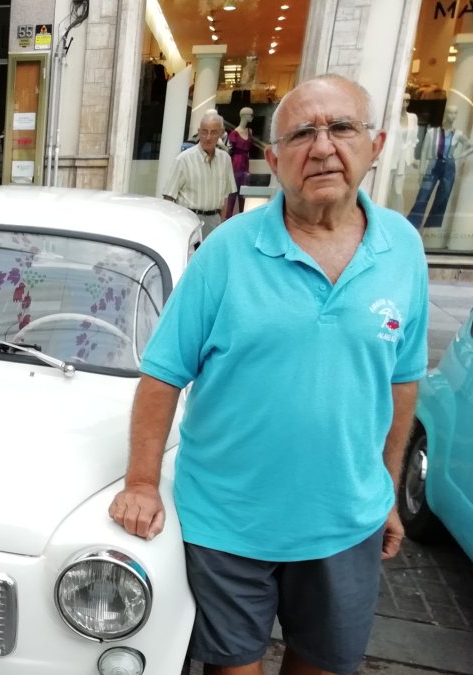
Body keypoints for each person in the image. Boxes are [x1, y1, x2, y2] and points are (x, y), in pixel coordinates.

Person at [110, 74, 427, 675]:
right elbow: (161, 375)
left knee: (324, 667)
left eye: (341, 128)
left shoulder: (404, 249)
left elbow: (402, 380)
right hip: (229, 523)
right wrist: (143, 484)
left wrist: (387, 491)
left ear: (376, 143)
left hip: (345, 521)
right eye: (303, 132)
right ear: (274, 159)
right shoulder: (228, 251)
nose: (324, 146)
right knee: (233, 670)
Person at [162, 112, 237, 238]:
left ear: (221, 133)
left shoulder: (225, 159)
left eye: (213, 132)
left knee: (212, 257)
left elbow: (226, 195)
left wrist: (221, 222)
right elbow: (169, 196)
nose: (208, 137)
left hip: (214, 221)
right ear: (198, 132)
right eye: (204, 132)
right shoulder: (184, 159)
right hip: (188, 220)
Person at [407, 104, 472, 230]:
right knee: (423, 195)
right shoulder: (433, 132)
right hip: (433, 164)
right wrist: (421, 172)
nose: (452, 116)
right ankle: (413, 224)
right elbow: (425, 152)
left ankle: (432, 227)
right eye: (450, 113)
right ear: (445, 114)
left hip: (448, 167)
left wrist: (460, 156)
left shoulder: (458, 134)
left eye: (455, 113)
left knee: (443, 197)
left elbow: (470, 145)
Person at [225, 107, 255, 218]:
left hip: (245, 164)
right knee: (233, 194)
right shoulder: (234, 134)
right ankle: (228, 218)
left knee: (243, 194)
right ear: (243, 116)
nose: (252, 117)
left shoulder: (250, 132)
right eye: (250, 114)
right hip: (236, 163)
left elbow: (248, 151)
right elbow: (229, 151)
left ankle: (241, 218)